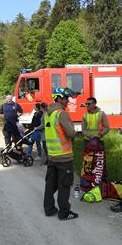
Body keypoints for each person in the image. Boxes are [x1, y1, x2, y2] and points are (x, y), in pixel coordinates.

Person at [43, 87, 78, 220]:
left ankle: (49, 209)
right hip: (64, 156)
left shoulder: (48, 113)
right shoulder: (61, 113)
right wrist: (74, 130)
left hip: (52, 155)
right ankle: (64, 212)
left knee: (50, 184)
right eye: (66, 98)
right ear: (59, 98)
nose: (67, 101)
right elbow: (71, 133)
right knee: (64, 184)